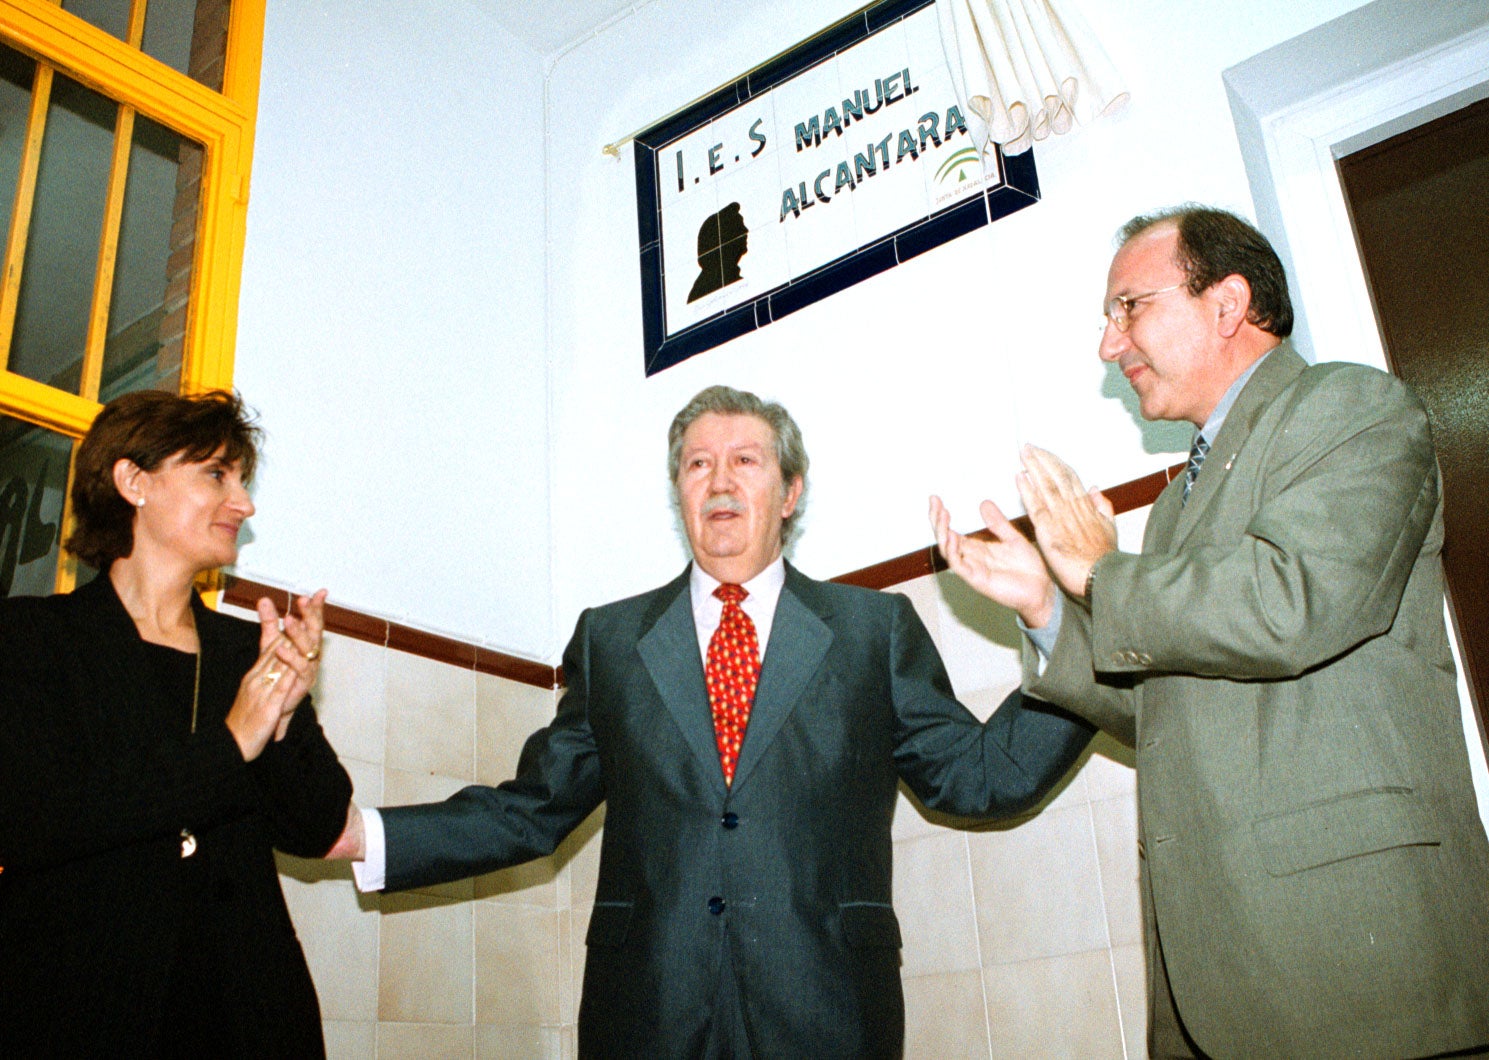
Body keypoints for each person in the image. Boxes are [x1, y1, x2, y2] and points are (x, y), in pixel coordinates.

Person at [331, 384, 1094, 1057]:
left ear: (790, 492)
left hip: (827, 1008)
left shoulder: (872, 630)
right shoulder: (613, 639)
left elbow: (980, 777)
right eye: (697, 464)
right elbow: (535, 810)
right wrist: (368, 834)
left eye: (745, 461)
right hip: (647, 1013)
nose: (719, 479)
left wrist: (1051, 619)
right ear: (678, 491)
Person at [931, 205, 1489, 1057]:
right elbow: (1161, 717)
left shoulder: (1354, 408)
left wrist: (1097, 575)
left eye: (1129, 307)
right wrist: (1047, 609)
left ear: (1226, 304)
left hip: (1357, 974)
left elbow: (1291, 602)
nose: (1109, 346)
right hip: (1214, 975)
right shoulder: (1170, 513)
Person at [0, 390, 352, 1057]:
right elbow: (29, 819)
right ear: (133, 481)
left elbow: (318, 824)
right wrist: (229, 744)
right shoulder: (32, 639)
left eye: (242, 480)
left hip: (248, 1015)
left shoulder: (249, 653)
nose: (243, 503)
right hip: (74, 1010)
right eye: (216, 474)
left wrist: (278, 721)